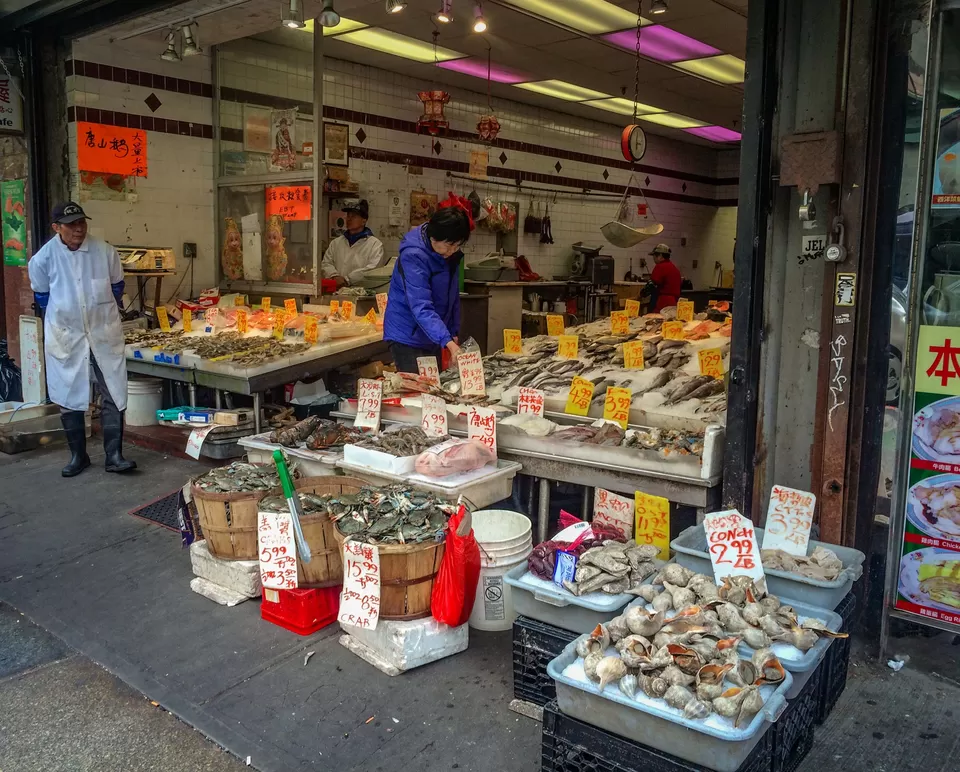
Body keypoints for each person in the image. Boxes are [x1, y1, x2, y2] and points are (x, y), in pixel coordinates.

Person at [28, 202, 137, 477]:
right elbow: (42, 297)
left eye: (81, 223)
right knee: (68, 393)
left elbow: (116, 287)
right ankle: (78, 455)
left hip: (103, 330)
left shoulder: (104, 251)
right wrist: (68, 315)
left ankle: (114, 455)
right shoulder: (43, 259)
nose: (79, 228)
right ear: (56, 228)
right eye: (71, 224)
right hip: (66, 334)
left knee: (113, 389)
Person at [383, 200, 473, 373]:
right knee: (416, 395)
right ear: (433, 237)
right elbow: (421, 306)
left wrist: (452, 332)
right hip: (407, 335)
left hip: (433, 335)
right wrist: (447, 342)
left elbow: (452, 295)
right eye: (449, 245)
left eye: (457, 245)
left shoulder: (448, 254)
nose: (453, 250)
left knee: (434, 389)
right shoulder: (413, 257)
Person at [320, 199, 384, 288]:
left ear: (364, 221)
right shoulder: (336, 242)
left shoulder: (375, 245)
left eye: (353, 216)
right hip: (336, 292)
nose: (349, 219)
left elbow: (372, 269)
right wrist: (334, 276)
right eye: (348, 216)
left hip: (361, 293)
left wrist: (348, 279)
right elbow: (326, 263)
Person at [649, 243, 683, 312]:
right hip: (674, 303)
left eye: (654, 256)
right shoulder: (674, 268)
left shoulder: (660, 267)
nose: (653, 258)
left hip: (662, 303)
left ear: (660, 256)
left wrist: (640, 296)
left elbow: (651, 285)